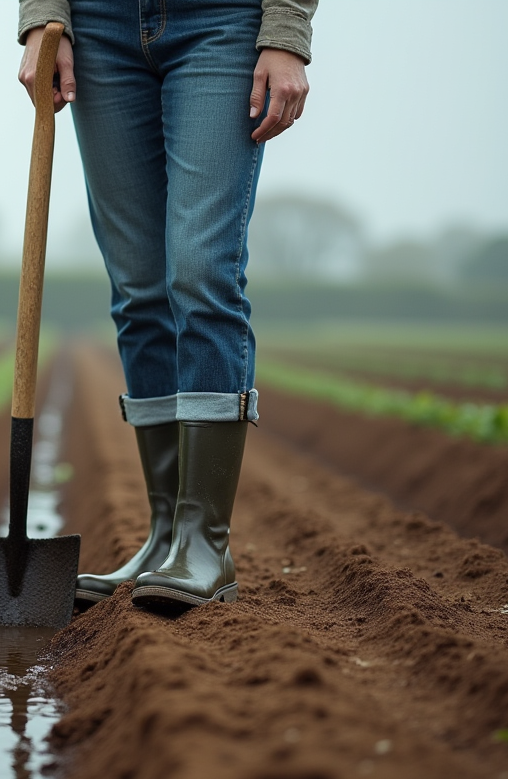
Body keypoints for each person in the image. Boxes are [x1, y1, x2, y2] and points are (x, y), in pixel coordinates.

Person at [17, 0, 316, 610]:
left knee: (201, 270)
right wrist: (42, 16)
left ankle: (204, 543)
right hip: (98, 28)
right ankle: (164, 538)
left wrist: (287, 28)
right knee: (138, 288)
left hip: (220, 22)